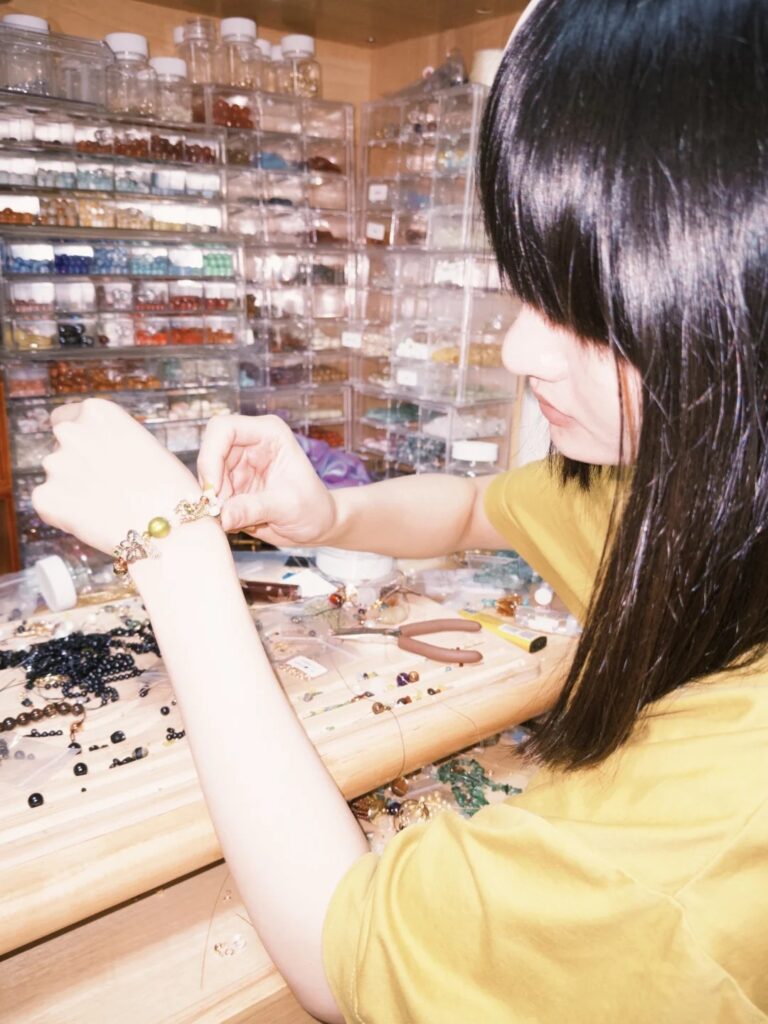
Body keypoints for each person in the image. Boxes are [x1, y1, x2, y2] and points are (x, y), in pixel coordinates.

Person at [32, 0, 768, 1019]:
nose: (515, 352)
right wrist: (329, 515)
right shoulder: (697, 480)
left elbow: (342, 948)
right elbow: (475, 507)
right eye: (524, 287)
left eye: (586, 309)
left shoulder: (708, 844)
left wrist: (173, 548)